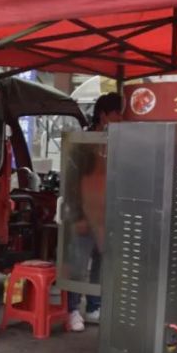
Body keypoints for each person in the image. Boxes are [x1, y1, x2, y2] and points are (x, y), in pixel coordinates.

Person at [66, 92, 122, 331]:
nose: (122, 119)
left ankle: (93, 306)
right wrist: (78, 215)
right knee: (78, 264)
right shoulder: (84, 143)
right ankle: (71, 309)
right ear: (104, 115)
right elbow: (73, 182)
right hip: (85, 215)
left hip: (107, 216)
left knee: (102, 262)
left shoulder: (119, 144)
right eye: (118, 114)